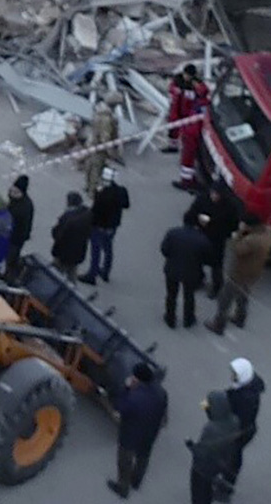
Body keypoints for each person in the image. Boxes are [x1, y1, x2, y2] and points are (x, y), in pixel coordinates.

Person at [210, 214, 271, 335]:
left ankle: (218, 325)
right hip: (255, 272)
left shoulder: (251, 240)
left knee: (225, 298)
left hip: (240, 272)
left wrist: (237, 235)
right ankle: (240, 318)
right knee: (243, 296)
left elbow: (237, 249)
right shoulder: (268, 233)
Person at [108, 362, 169, 497]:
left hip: (131, 434)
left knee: (125, 460)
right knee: (143, 457)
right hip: (150, 433)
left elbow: (120, 407)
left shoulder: (135, 396)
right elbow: (164, 415)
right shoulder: (161, 392)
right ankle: (136, 481)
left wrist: (126, 388)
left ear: (138, 378)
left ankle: (123, 488)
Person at [188, 393, 245, 504]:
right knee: (208, 492)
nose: (206, 410)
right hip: (220, 465)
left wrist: (191, 446)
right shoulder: (234, 421)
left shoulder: (211, 429)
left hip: (202, 469)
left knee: (199, 496)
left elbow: (202, 453)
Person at [162, 213, 215, 330]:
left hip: (172, 269)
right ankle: (188, 319)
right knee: (189, 296)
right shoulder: (202, 239)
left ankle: (170, 318)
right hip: (192, 272)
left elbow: (164, 250)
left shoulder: (172, 233)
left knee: (171, 295)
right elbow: (208, 259)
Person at [189, 184, 244, 295]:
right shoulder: (202, 199)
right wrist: (197, 221)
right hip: (201, 234)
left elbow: (233, 224)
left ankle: (217, 287)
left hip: (218, 238)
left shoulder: (231, 206)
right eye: (213, 193)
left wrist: (215, 224)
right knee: (197, 259)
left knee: (216, 265)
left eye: (217, 195)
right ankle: (198, 280)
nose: (214, 196)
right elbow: (191, 213)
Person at [169, 69, 209, 189]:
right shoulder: (202, 103)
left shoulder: (200, 105)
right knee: (190, 159)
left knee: (188, 160)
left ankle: (186, 181)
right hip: (189, 128)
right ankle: (189, 179)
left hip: (191, 134)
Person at [228, 357, 266, 459]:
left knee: (233, 453)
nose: (232, 376)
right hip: (243, 429)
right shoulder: (246, 386)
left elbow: (239, 416)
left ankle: (230, 473)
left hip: (241, 431)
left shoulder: (245, 397)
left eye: (235, 374)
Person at [5, 174, 38, 270]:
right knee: (10, 258)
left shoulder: (23, 208)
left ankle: (10, 278)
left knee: (11, 260)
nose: (12, 193)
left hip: (16, 238)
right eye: (12, 190)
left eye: (15, 192)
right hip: (14, 236)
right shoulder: (18, 200)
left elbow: (21, 226)